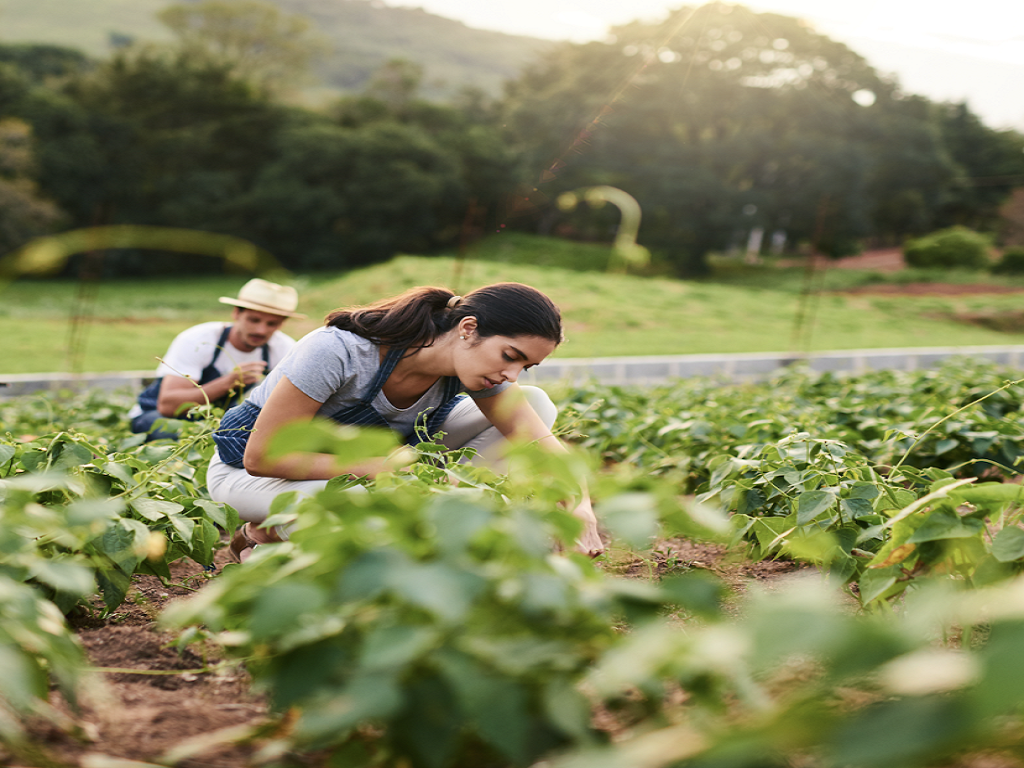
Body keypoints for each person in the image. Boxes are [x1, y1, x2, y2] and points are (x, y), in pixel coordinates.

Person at [208, 282, 604, 562]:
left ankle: (443, 523)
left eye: (526, 365)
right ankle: (260, 537)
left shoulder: (474, 370)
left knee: (535, 404)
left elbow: (546, 447)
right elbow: (261, 458)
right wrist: (394, 470)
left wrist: (582, 506)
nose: (512, 374)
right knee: (364, 509)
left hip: (355, 473)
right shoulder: (338, 351)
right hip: (251, 474)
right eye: (509, 356)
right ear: (468, 329)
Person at [128, 278, 305, 441]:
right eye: (254, 320)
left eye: (271, 324)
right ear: (236, 313)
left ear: (282, 324)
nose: (260, 330)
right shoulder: (199, 340)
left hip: (216, 422)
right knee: (174, 435)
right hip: (159, 415)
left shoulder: (285, 349)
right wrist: (228, 382)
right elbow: (168, 405)